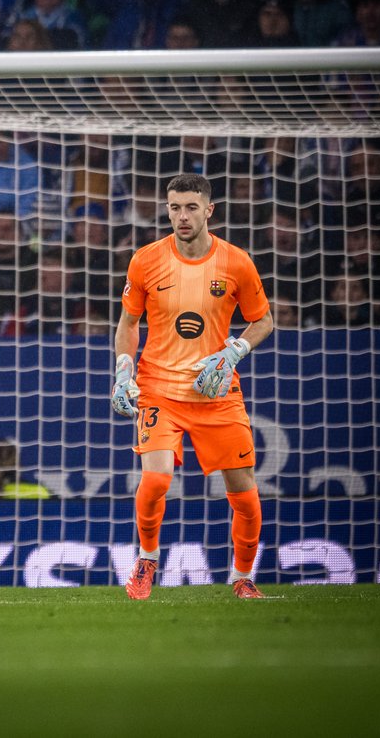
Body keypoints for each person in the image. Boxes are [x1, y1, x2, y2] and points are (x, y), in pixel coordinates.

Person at [112, 173, 273, 600]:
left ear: (208, 210)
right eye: (175, 208)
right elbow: (128, 323)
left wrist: (234, 351)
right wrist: (124, 371)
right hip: (159, 388)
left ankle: (242, 578)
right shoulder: (145, 260)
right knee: (156, 480)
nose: (182, 216)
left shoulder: (236, 262)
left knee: (245, 494)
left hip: (215, 392)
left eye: (191, 207)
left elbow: (263, 320)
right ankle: (147, 559)